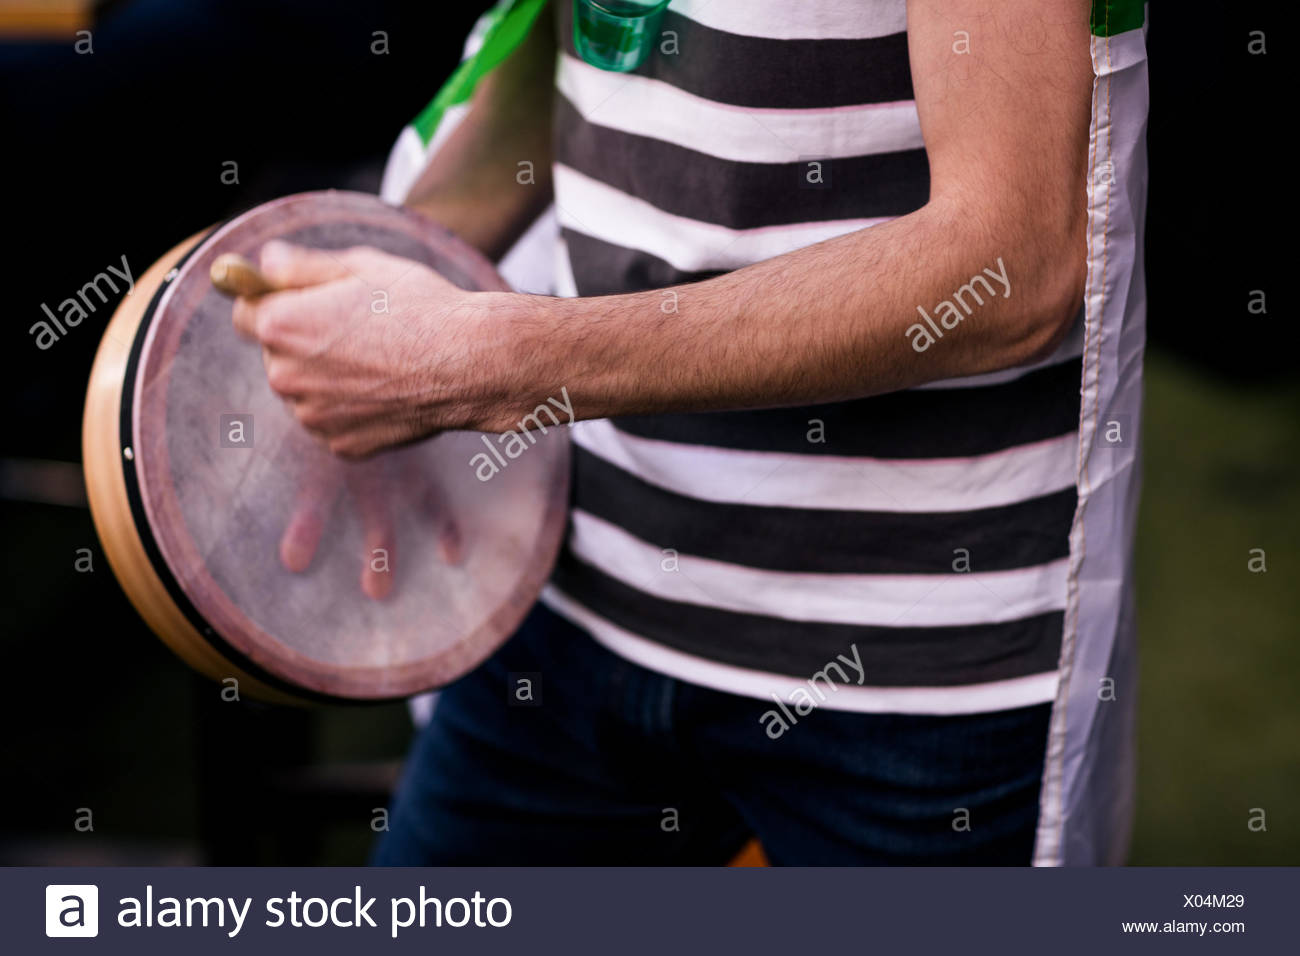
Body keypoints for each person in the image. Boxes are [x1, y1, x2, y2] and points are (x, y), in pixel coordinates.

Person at [230, 0, 1148, 865]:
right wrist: (379, 315)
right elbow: (581, 57)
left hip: (910, 666)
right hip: (579, 592)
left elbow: (1012, 263)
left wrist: (487, 362)